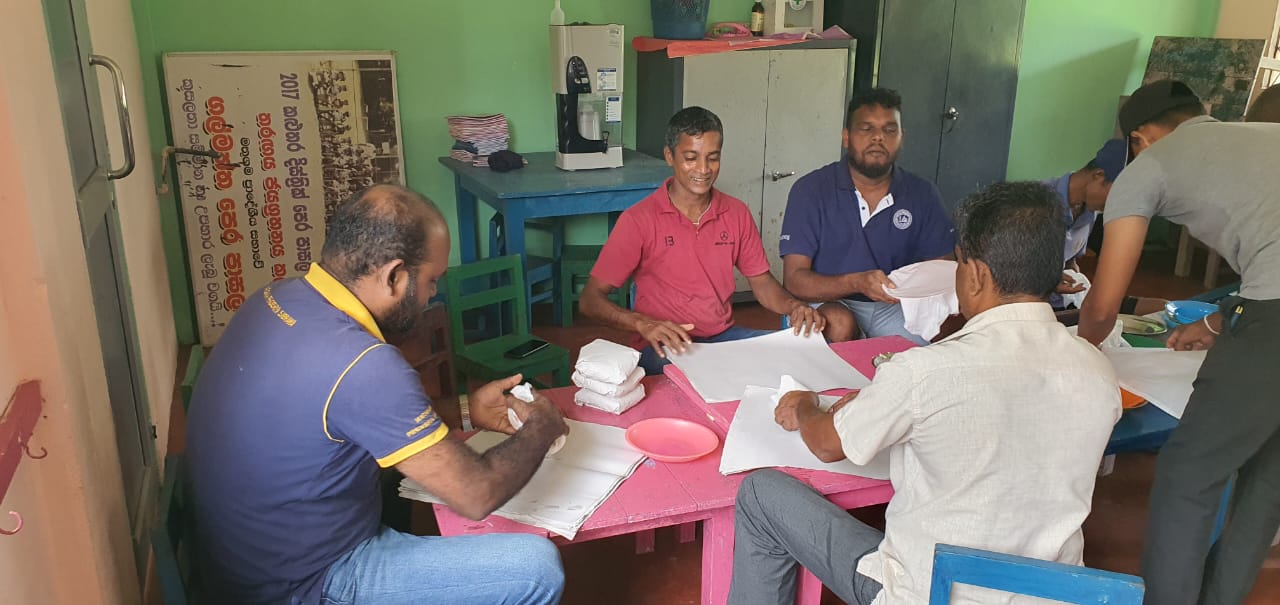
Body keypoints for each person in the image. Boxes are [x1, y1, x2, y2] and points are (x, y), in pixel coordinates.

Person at [729, 181, 1121, 605]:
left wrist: (805, 406)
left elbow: (827, 444)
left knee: (760, 495)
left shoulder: (926, 371)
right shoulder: (1097, 370)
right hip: (1050, 596)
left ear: (975, 275)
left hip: (930, 594)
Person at [186, 185, 569, 605]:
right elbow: (476, 494)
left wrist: (465, 410)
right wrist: (541, 427)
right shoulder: (364, 363)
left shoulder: (273, 298)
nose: (432, 295)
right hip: (302, 585)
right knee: (535, 568)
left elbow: (353, 419)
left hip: (237, 564)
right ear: (394, 276)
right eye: (431, 281)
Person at [1079, 79, 1280, 605]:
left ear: (1140, 138)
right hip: (1265, 303)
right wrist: (1217, 323)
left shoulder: (1149, 165)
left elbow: (1103, 303)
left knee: (1189, 472)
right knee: (1267, 475)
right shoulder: (1259, 136)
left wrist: (1077, 350)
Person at [581, 106, 824, 375]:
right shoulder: (638, 220)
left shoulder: (736, 213)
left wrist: (795, 306)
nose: (703, 169)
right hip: (665, 349)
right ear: (669, 156)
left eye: (713, 158)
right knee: (693, 375)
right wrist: (643, 324)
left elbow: (761, 282)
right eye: (691, 158)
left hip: (721, 340)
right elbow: (591, 300)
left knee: (791, 357)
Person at [779, 87, 956, 345]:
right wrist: (858, 282)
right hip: (829, 303)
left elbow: (942, 269)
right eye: (866, 129)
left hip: (894, 306)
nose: (878, 138)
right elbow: (795, 280)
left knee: (927, 352)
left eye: (889, 130)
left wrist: (910, 289)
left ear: (901, 137)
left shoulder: (922, 193)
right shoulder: (811, 190)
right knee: (839, 323)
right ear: (846, 137)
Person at [1044, 138, 1165, 317]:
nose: (1120, 205)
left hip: (1071, 303)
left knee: (1162, 307)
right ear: (1098, 176)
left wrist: (1076, 281)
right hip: (1039, 311)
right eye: (1119, 195)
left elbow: (1070, 262)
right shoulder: (1033, 204)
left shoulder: (1088, 212)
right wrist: (1046, 283)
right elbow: (1000, 272)